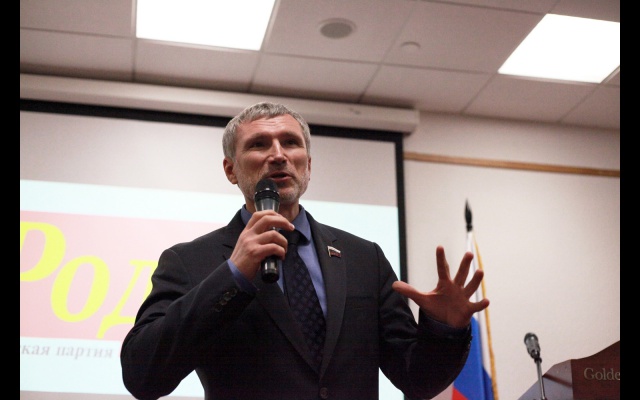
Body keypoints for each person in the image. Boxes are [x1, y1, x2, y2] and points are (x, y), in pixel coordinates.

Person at [120, 101, 490, 400]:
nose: (278, 155)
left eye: (290, 143)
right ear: (231, 170)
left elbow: (418, 380)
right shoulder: (190, 262)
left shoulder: (365, 259)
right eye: (259, 144)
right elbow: (142, 375)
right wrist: (232, 275)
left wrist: (444, 329)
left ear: (308, 166)